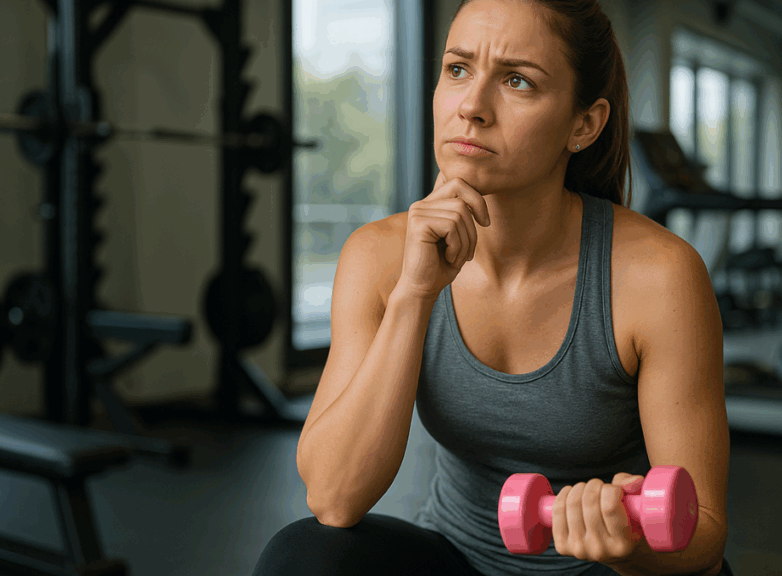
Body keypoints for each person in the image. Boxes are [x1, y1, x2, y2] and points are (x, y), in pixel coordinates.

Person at [253, 0, 732, 574]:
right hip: (460, 560)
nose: (472, 107)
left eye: (516, 81)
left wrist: (625, 545)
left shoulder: (659, 275)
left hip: (614, 571)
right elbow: (333, 498)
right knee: (305, 557)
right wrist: (415, 293)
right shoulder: (378, 256)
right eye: (457, 69)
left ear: (584, 124)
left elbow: (705, 531)